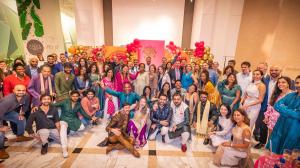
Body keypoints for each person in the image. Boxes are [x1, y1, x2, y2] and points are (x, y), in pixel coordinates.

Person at [266, 75, 300, 154]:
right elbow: (277, 105)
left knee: (288, 152)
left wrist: (284, 109)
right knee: (275, 146)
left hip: (294, 129)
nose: (298, 85)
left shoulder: (290, 93)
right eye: (297, 83)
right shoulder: (291, 95)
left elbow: (298, 115)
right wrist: (292, 111)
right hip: (281, 125)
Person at [0, 84, 33, 159]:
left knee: (21, 119)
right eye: (19, 90)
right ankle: (1, 149)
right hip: (1, 112)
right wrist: (0, 127)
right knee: (1, 132)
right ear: (14, 91)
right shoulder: (7, 101)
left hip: (8, 112)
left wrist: (22, 113)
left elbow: (26, 105)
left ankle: (20, 136)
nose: (21, 92)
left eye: (23, 90)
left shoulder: (26, 96)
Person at [254, 65, 282, 149]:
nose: (273, 72)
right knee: (263, 125)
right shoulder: (265, 80)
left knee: (275, 127)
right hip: (265, 105)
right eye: (272, 70)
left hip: (277, 108)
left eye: (276, 70)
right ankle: (262, 142)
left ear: (280, 71)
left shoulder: (283, 81)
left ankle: (274, 144)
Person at [53, 90, 88, 158]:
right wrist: (47, 102)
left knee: (82, 127)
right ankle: (64, 149)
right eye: (73, 96)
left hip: (73, 119)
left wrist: (92, 118)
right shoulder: (65, 102)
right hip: (64, 119)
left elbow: (83, 113)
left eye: (76, 96)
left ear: (78, 97)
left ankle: (68, 130)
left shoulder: (78, 104)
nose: (75, 97)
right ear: (70, 96)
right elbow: (54, 105)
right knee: (63, 131)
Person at [263, 77, 292, 143]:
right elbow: (270, 106)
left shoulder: (293, 95)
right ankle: (269, 152)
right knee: (270, 138)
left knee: (280, 140)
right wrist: (266, 116)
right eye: (279, 82)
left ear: (288, 84)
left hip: (283, 121)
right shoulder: (277, 93)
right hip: (272, 120)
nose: (280, 84)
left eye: (283, 82)